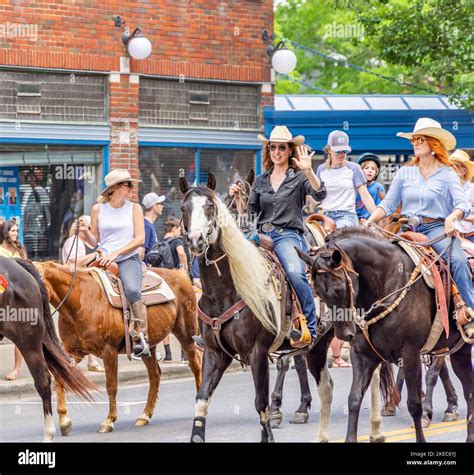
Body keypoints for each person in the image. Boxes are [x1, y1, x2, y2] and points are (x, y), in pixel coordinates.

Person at [365, 118, 474, 339]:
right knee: (381, 261)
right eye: (414, 139)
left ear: (433, 144)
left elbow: (463, 204)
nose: (415, 142)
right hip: (407, 229)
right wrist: (370, 221)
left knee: (459, 261)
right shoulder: (405, 173)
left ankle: (469, 312)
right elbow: (387, 205)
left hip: (436, 229)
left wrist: (451, 218)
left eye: (420, 139)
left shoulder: (447, 173)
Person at [229, 125, 327, 343]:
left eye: (281, 147)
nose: (276, 152)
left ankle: (310, 326)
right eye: (272, 147)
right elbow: (251, 213)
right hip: (259, 235)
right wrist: (238, 203)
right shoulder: (261, 180)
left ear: (290, 150)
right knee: (228, 264)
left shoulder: (300, 177)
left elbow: (320, 194)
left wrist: (309, 170)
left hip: (287, 236)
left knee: (294, 272)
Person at [76, 169, 149, 357]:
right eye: (128, 184)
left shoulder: (135, 208)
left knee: (132, 289)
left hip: (127, 258)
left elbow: (140, 239)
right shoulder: (97, 209)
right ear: (116, 187)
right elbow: (96, 241)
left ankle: (142, 336)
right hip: (102, 256)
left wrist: (116, 253)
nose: (132, 188)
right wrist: (84, 231)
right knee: (79, 285)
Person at [62, 216, 104, 372]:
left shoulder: (88, 243)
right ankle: (68, 361)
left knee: (87, 324)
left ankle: (90, 360)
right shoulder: (73, 241)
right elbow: (73, 263)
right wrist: (96, 255)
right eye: (89, 226)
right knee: (80, 324)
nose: (92, 229)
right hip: (77, 287)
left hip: (87, 287)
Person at [316, 131, 377, 229]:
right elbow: (316, 196)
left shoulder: (354, 168)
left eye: (344, 151)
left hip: (346, 216)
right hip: (324, 217)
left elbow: (365, 196)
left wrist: (376, 218)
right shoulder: (321, 169)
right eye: (338, 151)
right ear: (328, 150)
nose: (341, 154)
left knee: (336, 237)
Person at [1, 220, 27, 380]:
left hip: (19, 296)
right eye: (12, 231)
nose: (16, 234)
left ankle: (16, 370)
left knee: (19, 335)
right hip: (2, 296)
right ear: (5, 232)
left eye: (17, 231)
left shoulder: (20, 250)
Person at [449, 149, 474, 243]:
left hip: (470, 237)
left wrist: (458, 215)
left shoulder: (472, 189)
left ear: (464, 171)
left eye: (455, 166)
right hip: (450, 236)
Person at [355, 153, 385, 225]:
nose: (370, 171)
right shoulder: (353, 187)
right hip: (354, 220)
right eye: (366, 168)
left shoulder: (378, 187)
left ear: (376, 172)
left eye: (373, 169)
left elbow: (379, 207)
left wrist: (370, 220)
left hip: (371, 221)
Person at [139, 192, 165, 262]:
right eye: (160, 204)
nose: (162, 206)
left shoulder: (149, 225)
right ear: (154, 206)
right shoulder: (146, 226)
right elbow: (141, 253)